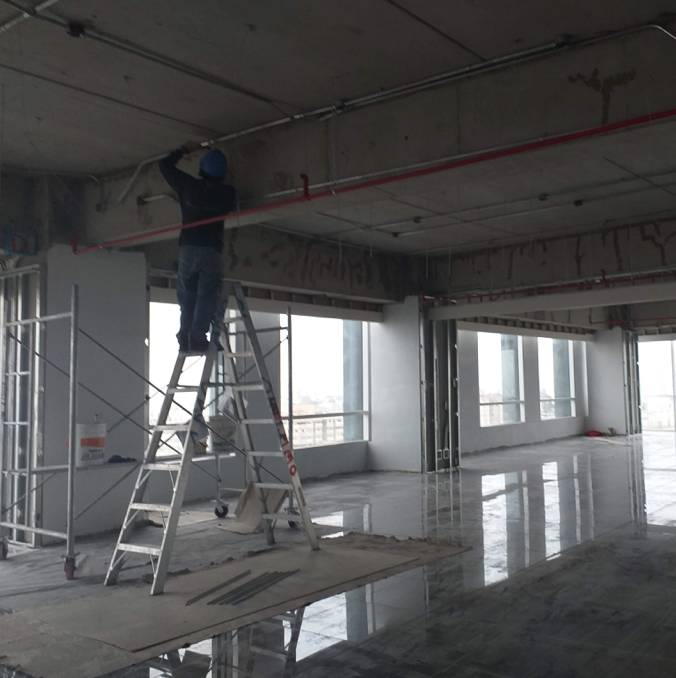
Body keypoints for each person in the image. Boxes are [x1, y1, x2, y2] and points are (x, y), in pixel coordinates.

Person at [160, 146, 236, 353]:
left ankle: (185, 336)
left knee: (187, 294)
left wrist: (180, 152)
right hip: (211, 250)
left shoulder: (187, 185)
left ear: (202, 168)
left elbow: (164, 166)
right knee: (206, 296)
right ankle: (197, 338)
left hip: (189, 249)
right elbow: (232, 204)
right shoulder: (227, 193)